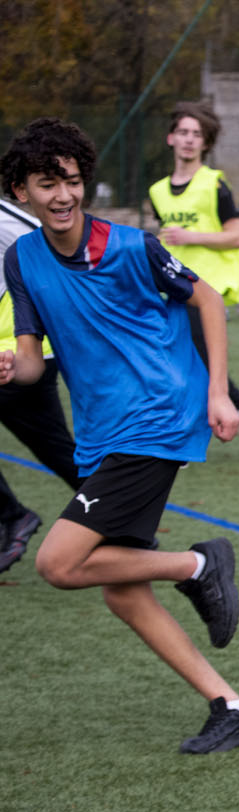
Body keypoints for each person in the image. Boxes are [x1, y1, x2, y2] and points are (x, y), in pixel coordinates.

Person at [0, 117, 239, 755]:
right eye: (47, 184)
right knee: (123, 592)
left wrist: (217, 392)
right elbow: (35, 362)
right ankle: (234, 708)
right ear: (21, 192)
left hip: (155, 418)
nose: (63, 195)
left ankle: (198, 564)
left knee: (58, 564)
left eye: (71, 181)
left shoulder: (131, 247)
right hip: (102, 431)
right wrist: (12, 366)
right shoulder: (22, 259)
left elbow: (208, 300)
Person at [148, 100, 239, 448]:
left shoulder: (214, 185)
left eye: (196, 134)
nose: (188, 139)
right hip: (174, 285)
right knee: (181, 361)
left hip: (208, 288)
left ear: (205, 143)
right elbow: (167, 237)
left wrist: (192, 237)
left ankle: (190, 434)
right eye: (183, 132)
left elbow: (237, 236)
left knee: (194, 358)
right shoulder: (157, 191)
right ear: (171, 138)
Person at [1, 196, 80, 575]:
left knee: (56, 447)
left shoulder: (7, 221)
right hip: (18, 355)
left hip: (21, 352)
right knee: (56, 447)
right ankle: (127, 527)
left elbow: (50, 239)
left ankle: (12, 515)